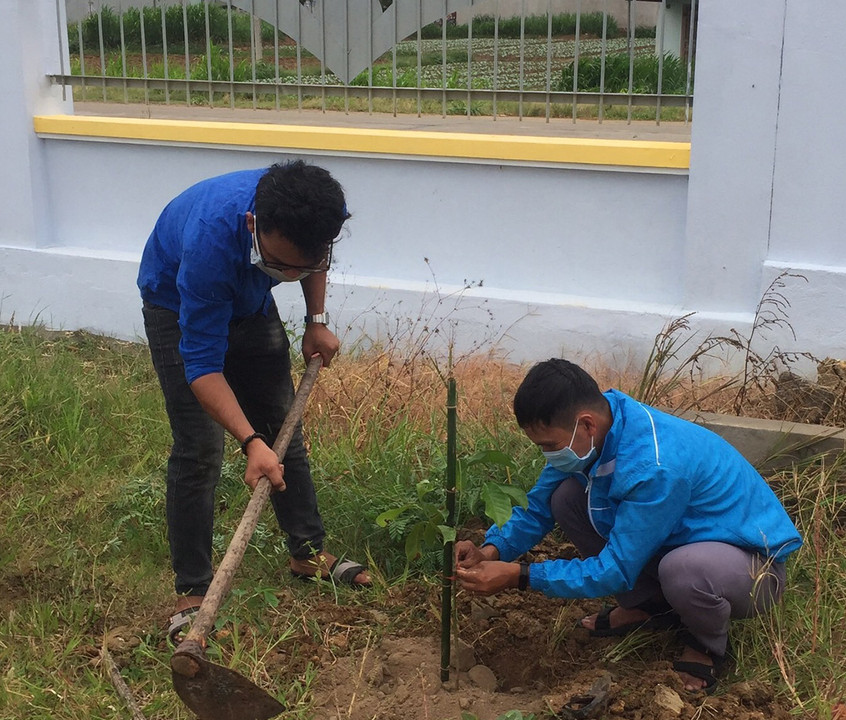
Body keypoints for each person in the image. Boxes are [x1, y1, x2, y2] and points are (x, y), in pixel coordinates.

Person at [455, 358, 802, 693]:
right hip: (683, 539)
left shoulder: (653, 465)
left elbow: (615, 569)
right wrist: (491, 550)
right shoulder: (601, 428)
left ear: (587, 424)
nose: (547, 455)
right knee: (564, 496)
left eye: (549, 445)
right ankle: (649, 606)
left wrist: (521, 576)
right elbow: (539, 507)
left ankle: (705, 646)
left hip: (751, 570)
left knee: (684, 569)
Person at [139, 159, 370, 640]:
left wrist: (316, 320)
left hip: (248, 297)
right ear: (253, 225)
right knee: (200, 446)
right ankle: (193, 592)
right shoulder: (209, 245)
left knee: (285, 426)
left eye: (300, 266)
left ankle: (306, 553)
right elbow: (202, 369)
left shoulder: (320, 209)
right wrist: (250, 442)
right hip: (175, 301)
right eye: (281, 264)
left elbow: (312, 258)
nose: (291, 273)